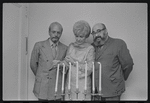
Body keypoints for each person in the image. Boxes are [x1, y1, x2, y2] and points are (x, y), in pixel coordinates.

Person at [91, 23, 134, 101]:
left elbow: (128, 64)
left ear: (106, 31)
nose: (96, 35)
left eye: (99, 31)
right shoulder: (91, 47)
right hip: (95, 91)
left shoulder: (118, 43)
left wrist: (118, 78)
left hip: (113, 89)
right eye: (93, 33)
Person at [30, 22, 68, 101]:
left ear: (61, 34)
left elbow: (66, 66)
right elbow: (33, 64)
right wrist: (41, 76)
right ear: (49, 32)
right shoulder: (39, 45)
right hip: (42, 86)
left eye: (58, 32)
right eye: (53, 32)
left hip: (57, 86)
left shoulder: (65, 48)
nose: (56, 35)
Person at [59, 20, 95, 101]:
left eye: (81, 36)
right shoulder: (71, 46)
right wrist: (61, 64)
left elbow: (89, 69)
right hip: (70, 83)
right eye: (76, 36)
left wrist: (74, 63)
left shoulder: (90, 49)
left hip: (83, 84)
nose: (78, 39)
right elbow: (66, 62)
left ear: (86, 36)